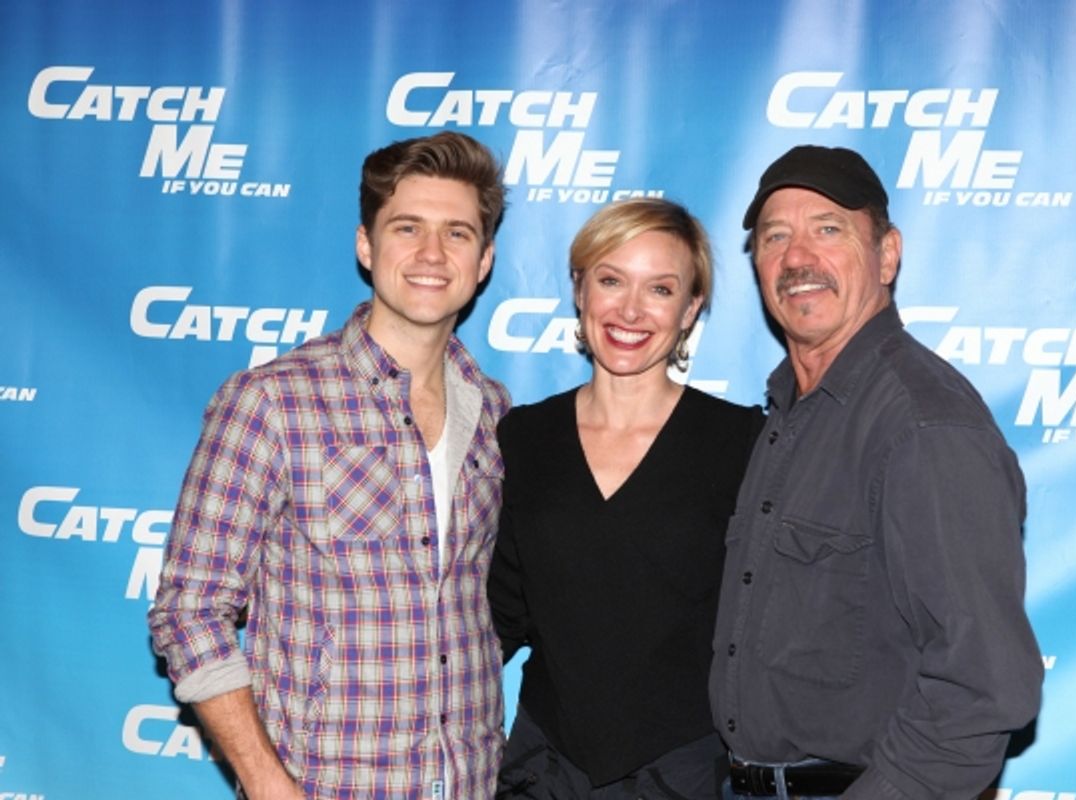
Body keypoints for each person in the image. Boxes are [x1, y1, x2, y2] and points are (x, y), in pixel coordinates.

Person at [148, 131, 510, 799]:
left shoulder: (494, 413)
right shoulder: (272, 402)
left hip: (469, 783)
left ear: (483, 260)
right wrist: (265, 781)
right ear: (366, 247)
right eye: (408, 228)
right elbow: (188, 608)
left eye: (457, 234)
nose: (432, 254)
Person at [710, 145, 1043, 799]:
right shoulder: (788, 414)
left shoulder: (924, 424)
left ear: (888, 254)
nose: (798, 258)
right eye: (776, 236)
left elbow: (984, 688)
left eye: (828, 229)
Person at [488, 198, 764, 798]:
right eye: (611, 280)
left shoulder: (743, 442)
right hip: (545, 769)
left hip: (685, 771)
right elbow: (496, 616)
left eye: (660, 289)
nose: (630, 310)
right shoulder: (524, 437)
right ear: (580, 290)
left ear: (690, 310)